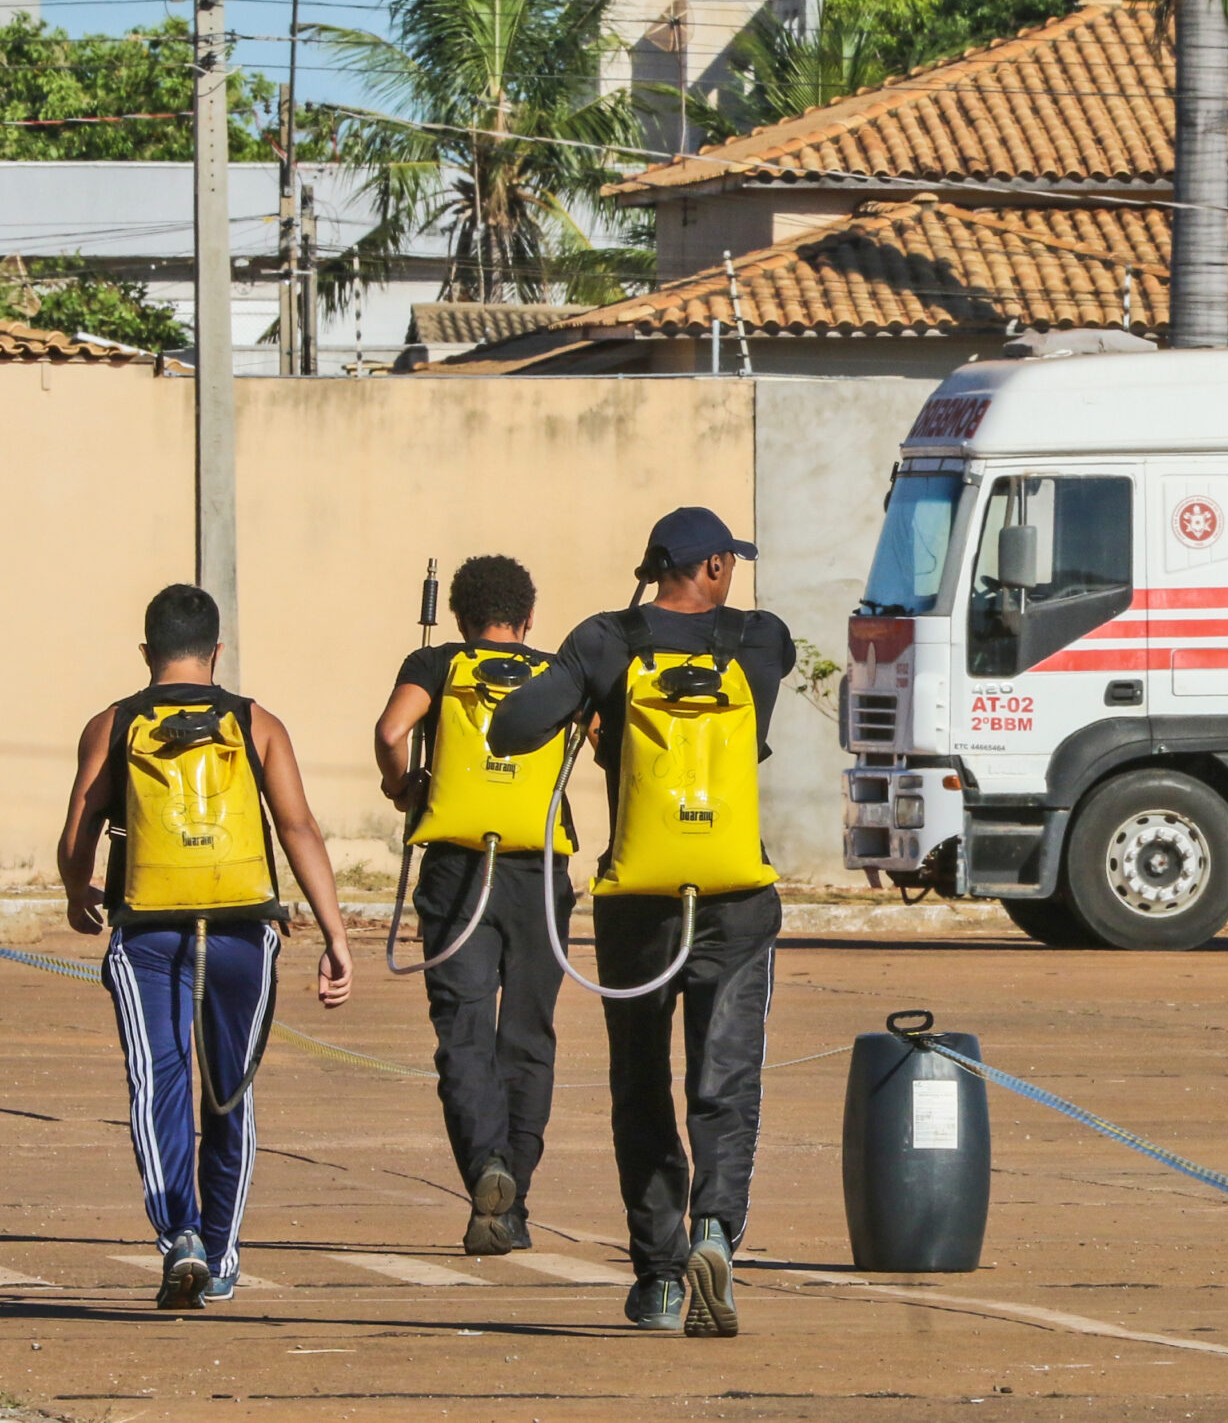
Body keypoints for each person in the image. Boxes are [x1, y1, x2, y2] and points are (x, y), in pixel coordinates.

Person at [488, 507, 792, 1338]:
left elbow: (511, 727)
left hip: (639, 904)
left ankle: (659, 1277)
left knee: (640, 1081)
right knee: (726, 1076)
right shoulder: (762, 638)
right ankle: (716, 1230)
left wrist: (592, 703)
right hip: (736, 896)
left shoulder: (605, 639)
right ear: (718, 566)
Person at [54, 584, 354, 1310]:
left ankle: (178, 1236)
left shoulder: (113, 722)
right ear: (217, 651)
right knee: (230, 1095)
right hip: (242, 933)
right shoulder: (257, 723)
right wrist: (335, 933)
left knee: (158, 1083)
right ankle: (219, 1253)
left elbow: (76, 837)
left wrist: (76, 892)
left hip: (147, 930)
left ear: (146, 652)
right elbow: (299, 828)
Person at [373, 554, 577, 1257]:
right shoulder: (559, 672)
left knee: (462, 1033)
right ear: (527, 617)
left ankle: (487, 1168)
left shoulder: (436, 663)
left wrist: (405, 787)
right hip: (539, 870)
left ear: (459, 617)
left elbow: (390, 731)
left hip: (457, 868)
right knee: (528, 1035)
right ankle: (511, 1192)